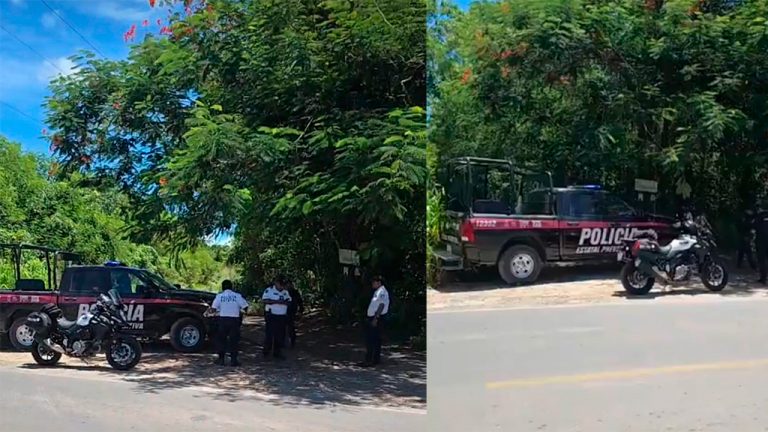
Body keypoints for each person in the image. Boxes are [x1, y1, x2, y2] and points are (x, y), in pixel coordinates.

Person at [211, 279, 249, 366]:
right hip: (234, 320)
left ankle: (221, 360)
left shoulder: (219, 296)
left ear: (222, 287)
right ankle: (233, 360)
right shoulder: (237, 296)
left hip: (223, 320)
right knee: (234, 340)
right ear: (232, 287)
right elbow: (245, 307)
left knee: (221, 340)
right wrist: (240, 311)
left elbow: (213, 308)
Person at [359, 275, 390, 368]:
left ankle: (370, 360)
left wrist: (375, 318)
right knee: (374, 339)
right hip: (373, 317)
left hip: (377, 318)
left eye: (374, 282)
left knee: (372, 339)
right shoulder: (377, 291)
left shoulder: (382, 292)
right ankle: (374, 359)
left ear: (379, 283)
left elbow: (381, 305)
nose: (372, 284)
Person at [261, 276, 292, 359]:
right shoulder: (269, 290)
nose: (281, 287)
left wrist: (283, 302)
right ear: (276, 283)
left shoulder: (285, 292)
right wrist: (277, 302)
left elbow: (289, 302)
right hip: (271, 315)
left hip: (282, 316)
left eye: (283, 285)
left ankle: (277, 352)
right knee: (270, 334)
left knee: (280, 334)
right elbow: (265, 300)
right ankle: (266, 351)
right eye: (280, 284)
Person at [285, 280, 305, 348]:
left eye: (289, 284)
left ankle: (292, 340)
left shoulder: (295, 292)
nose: (288, 286)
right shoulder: (284, 292)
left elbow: (300, 301)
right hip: (283, 311)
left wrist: (301, 310)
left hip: (292, 311)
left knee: (290, 326)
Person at [755, 205, 768, 284]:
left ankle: (763, 278)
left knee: (762, 260)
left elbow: (754, 226)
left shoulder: (759, 216)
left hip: (761, 241)